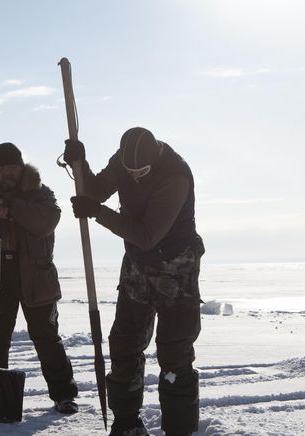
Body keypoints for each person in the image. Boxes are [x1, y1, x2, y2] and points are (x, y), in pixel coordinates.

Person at [63, 127, 204, 436]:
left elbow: (146, 235)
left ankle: (180, 430)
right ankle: (127, 422)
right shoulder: (124, 162)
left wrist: (97, 213)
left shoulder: (175, 176)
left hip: (175, 269)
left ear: (154, 161)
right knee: (125, 344)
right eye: (130, 171)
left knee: (174, 352)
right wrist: (80, 164)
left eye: (141, 171)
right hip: (137, 267)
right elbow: (96, 190)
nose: (135, 176)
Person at [0, 142, 79, 414]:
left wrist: (11, 207)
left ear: (21, 167)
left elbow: (46, 221)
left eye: (12, 167)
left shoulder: (39, 194)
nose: (7, 173)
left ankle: (64, 395)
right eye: (1, 169)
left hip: (36, 279)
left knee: (47, 338)